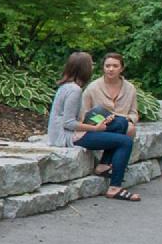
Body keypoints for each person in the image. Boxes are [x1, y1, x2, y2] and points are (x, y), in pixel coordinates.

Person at [47, 52, 141, 202]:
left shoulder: (69, 87)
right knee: (125, 142)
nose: (92, 67)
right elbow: (68, 123)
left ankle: (103, 165)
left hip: (71, 132)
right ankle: (115, 187)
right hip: (67, 137)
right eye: (90, 64)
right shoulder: (74, 90)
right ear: (83, 68)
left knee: (121, 123)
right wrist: (96, 128)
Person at [82, 52, 139, 139]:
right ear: (103, 68)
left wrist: (129, 119)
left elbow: (134, 114)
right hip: (99, 126)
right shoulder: (92, 88)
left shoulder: (130, 88)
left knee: (130, 128)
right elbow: (84, 113)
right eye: (107, 66)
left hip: (123, 125)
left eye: (115, 66)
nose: (111, 69)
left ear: (122, 69)